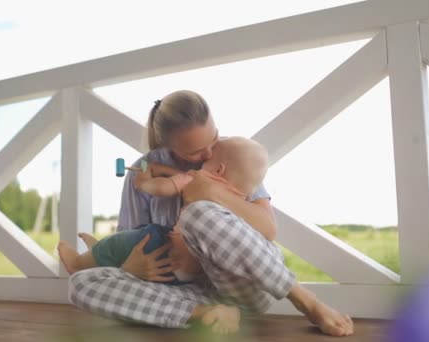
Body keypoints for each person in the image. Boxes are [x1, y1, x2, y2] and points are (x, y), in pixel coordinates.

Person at [67, 90, 354, 336]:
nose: (207, 155)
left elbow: (268, 230)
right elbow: (131, 238)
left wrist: (212, 192)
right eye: (194, 152)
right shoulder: (143, 170)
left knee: (197, 215)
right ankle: (206, 313)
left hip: (243, 283)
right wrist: (131, 268)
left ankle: (306, 300)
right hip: (185, 291)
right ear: (167, 146)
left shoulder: (233, 155)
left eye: (212, 140)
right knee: (81, 284)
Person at [57, 136, 269, 286]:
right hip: (196, 272)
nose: (200, 163)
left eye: (207, 160)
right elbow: (184, 176)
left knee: (124, 241)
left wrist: (145, 183)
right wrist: (166, 170)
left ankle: (79, 263)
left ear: (218, 169)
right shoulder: (239, 200)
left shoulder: (201, 181)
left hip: (167, 252)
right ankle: (98, 254)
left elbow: (164, 187)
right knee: (125, 242)